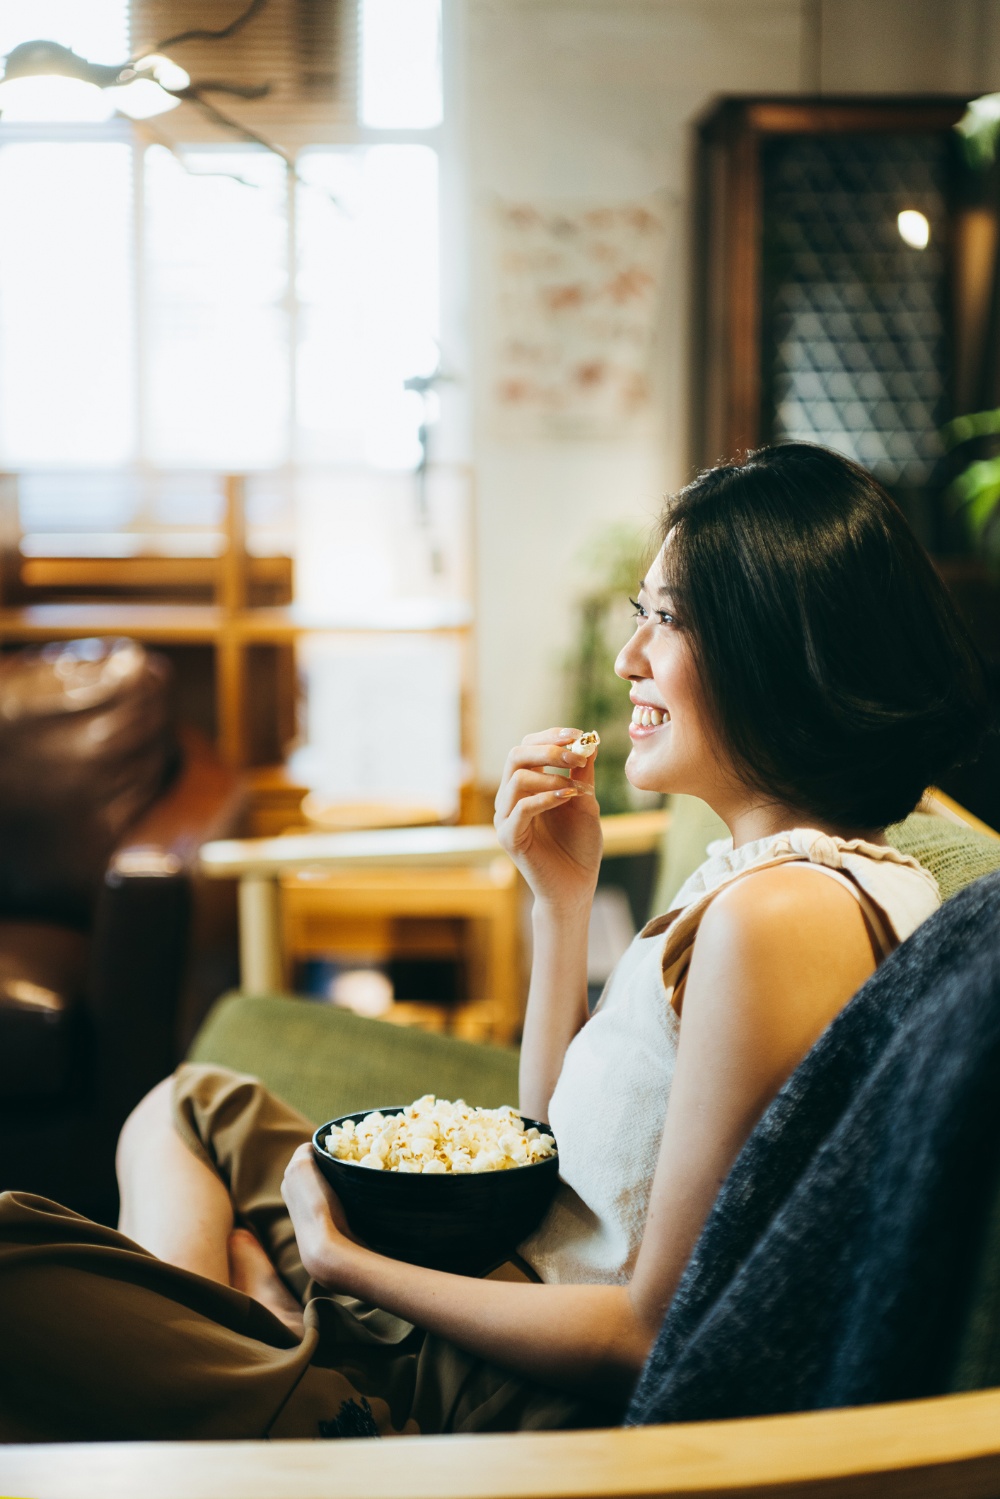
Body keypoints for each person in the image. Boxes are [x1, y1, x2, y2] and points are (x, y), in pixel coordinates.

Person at [0, 443, 991, 1443]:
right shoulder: (798, 876)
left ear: (778, 644)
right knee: (189, 1101)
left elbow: (650, 1334)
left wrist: (347, 1265)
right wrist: (561, 906)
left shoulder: (778, 915)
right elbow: (555, 1167)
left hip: (497, 1391)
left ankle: (281, 1367)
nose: (627, 658)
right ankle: (258, 1349)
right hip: (494, 1293)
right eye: (639, 614)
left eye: (666, 618)